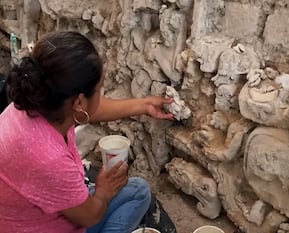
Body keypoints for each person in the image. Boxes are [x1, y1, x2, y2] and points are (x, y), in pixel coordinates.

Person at [0, 31, 174, 233]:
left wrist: (144, 105)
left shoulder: (34, 104)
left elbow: (89, 110)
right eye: (99, 89)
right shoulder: (49, 159)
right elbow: (91, 216)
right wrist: (103, 192)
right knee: (132, 196)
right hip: (35, 226)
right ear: (79, 101)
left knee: (138, 191)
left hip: (24, 215)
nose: (100, 94)